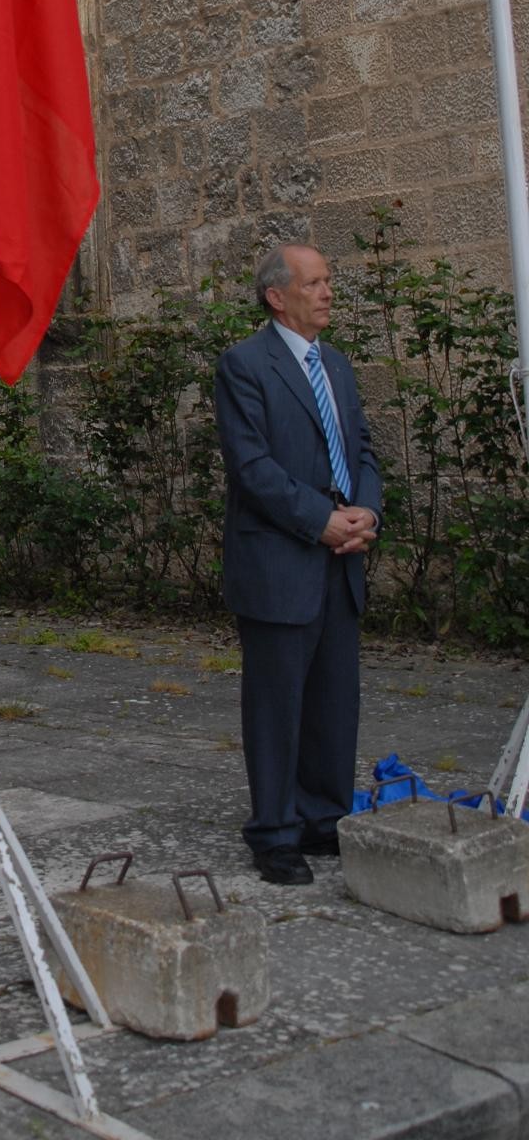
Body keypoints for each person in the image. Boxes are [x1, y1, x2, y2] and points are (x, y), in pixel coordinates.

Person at [213, 244, 382, 886]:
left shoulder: (336, 365)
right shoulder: (244, 364)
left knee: (335, 701)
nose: (328, 292)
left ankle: (322, 819)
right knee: (277, 705)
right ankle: (275, 833)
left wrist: (366, 512)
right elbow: (251, 466)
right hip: (280, 560)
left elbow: (362, 449)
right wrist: (320, 519)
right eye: (314, 283)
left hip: (341, 562)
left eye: (328, 280)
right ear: (277, 297)